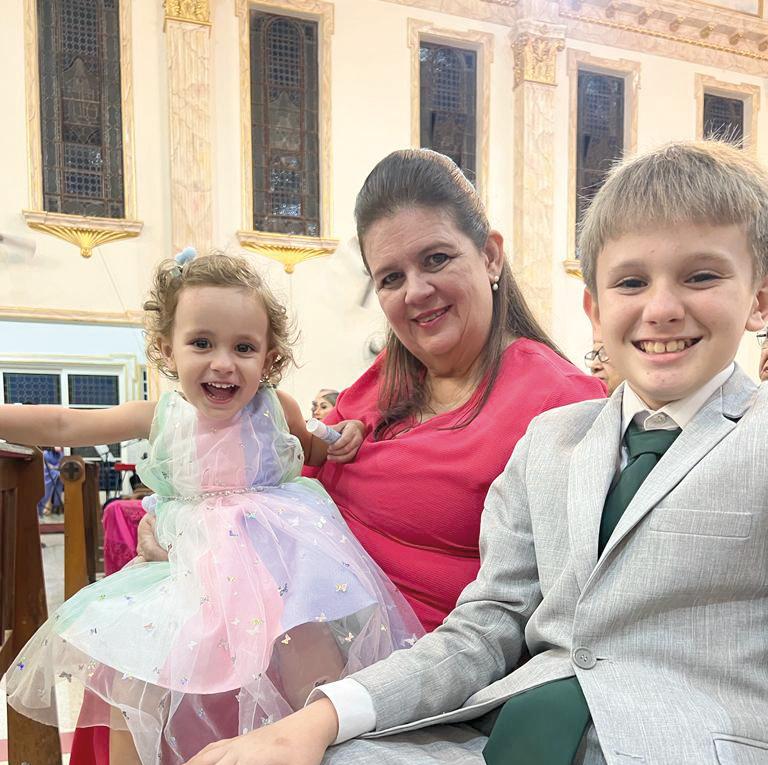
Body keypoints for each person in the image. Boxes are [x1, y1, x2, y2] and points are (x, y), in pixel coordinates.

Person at [185, 140, 768, 765]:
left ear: (758, 298)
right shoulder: (554, 442)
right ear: (595, 311)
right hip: (505, 731)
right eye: (631, 282)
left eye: (701, 276)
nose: (661, 308)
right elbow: (488, 622)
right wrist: (323, 717)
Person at [74, 149, 605, 763]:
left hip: (415, 677)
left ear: (490, 254)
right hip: (300, 629)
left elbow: (559, 610)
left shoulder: (558, 400)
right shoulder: (384, 381)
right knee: (127, 665)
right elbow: (270, 476)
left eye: (436, 259)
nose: (417, 291)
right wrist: (189, 537)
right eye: (390, 277)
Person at [2, 250, 422, 765]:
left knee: (312, 666)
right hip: (187, 574)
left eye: (243, 347)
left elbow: (317, 446)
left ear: (268, 359)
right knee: (137, 676)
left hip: (279, 569)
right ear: (166, 347)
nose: (223, 362)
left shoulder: (277, 408)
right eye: (201, 343)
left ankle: (323, 746)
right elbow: (64, 426)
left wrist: (344, 435)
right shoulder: (161, 414)